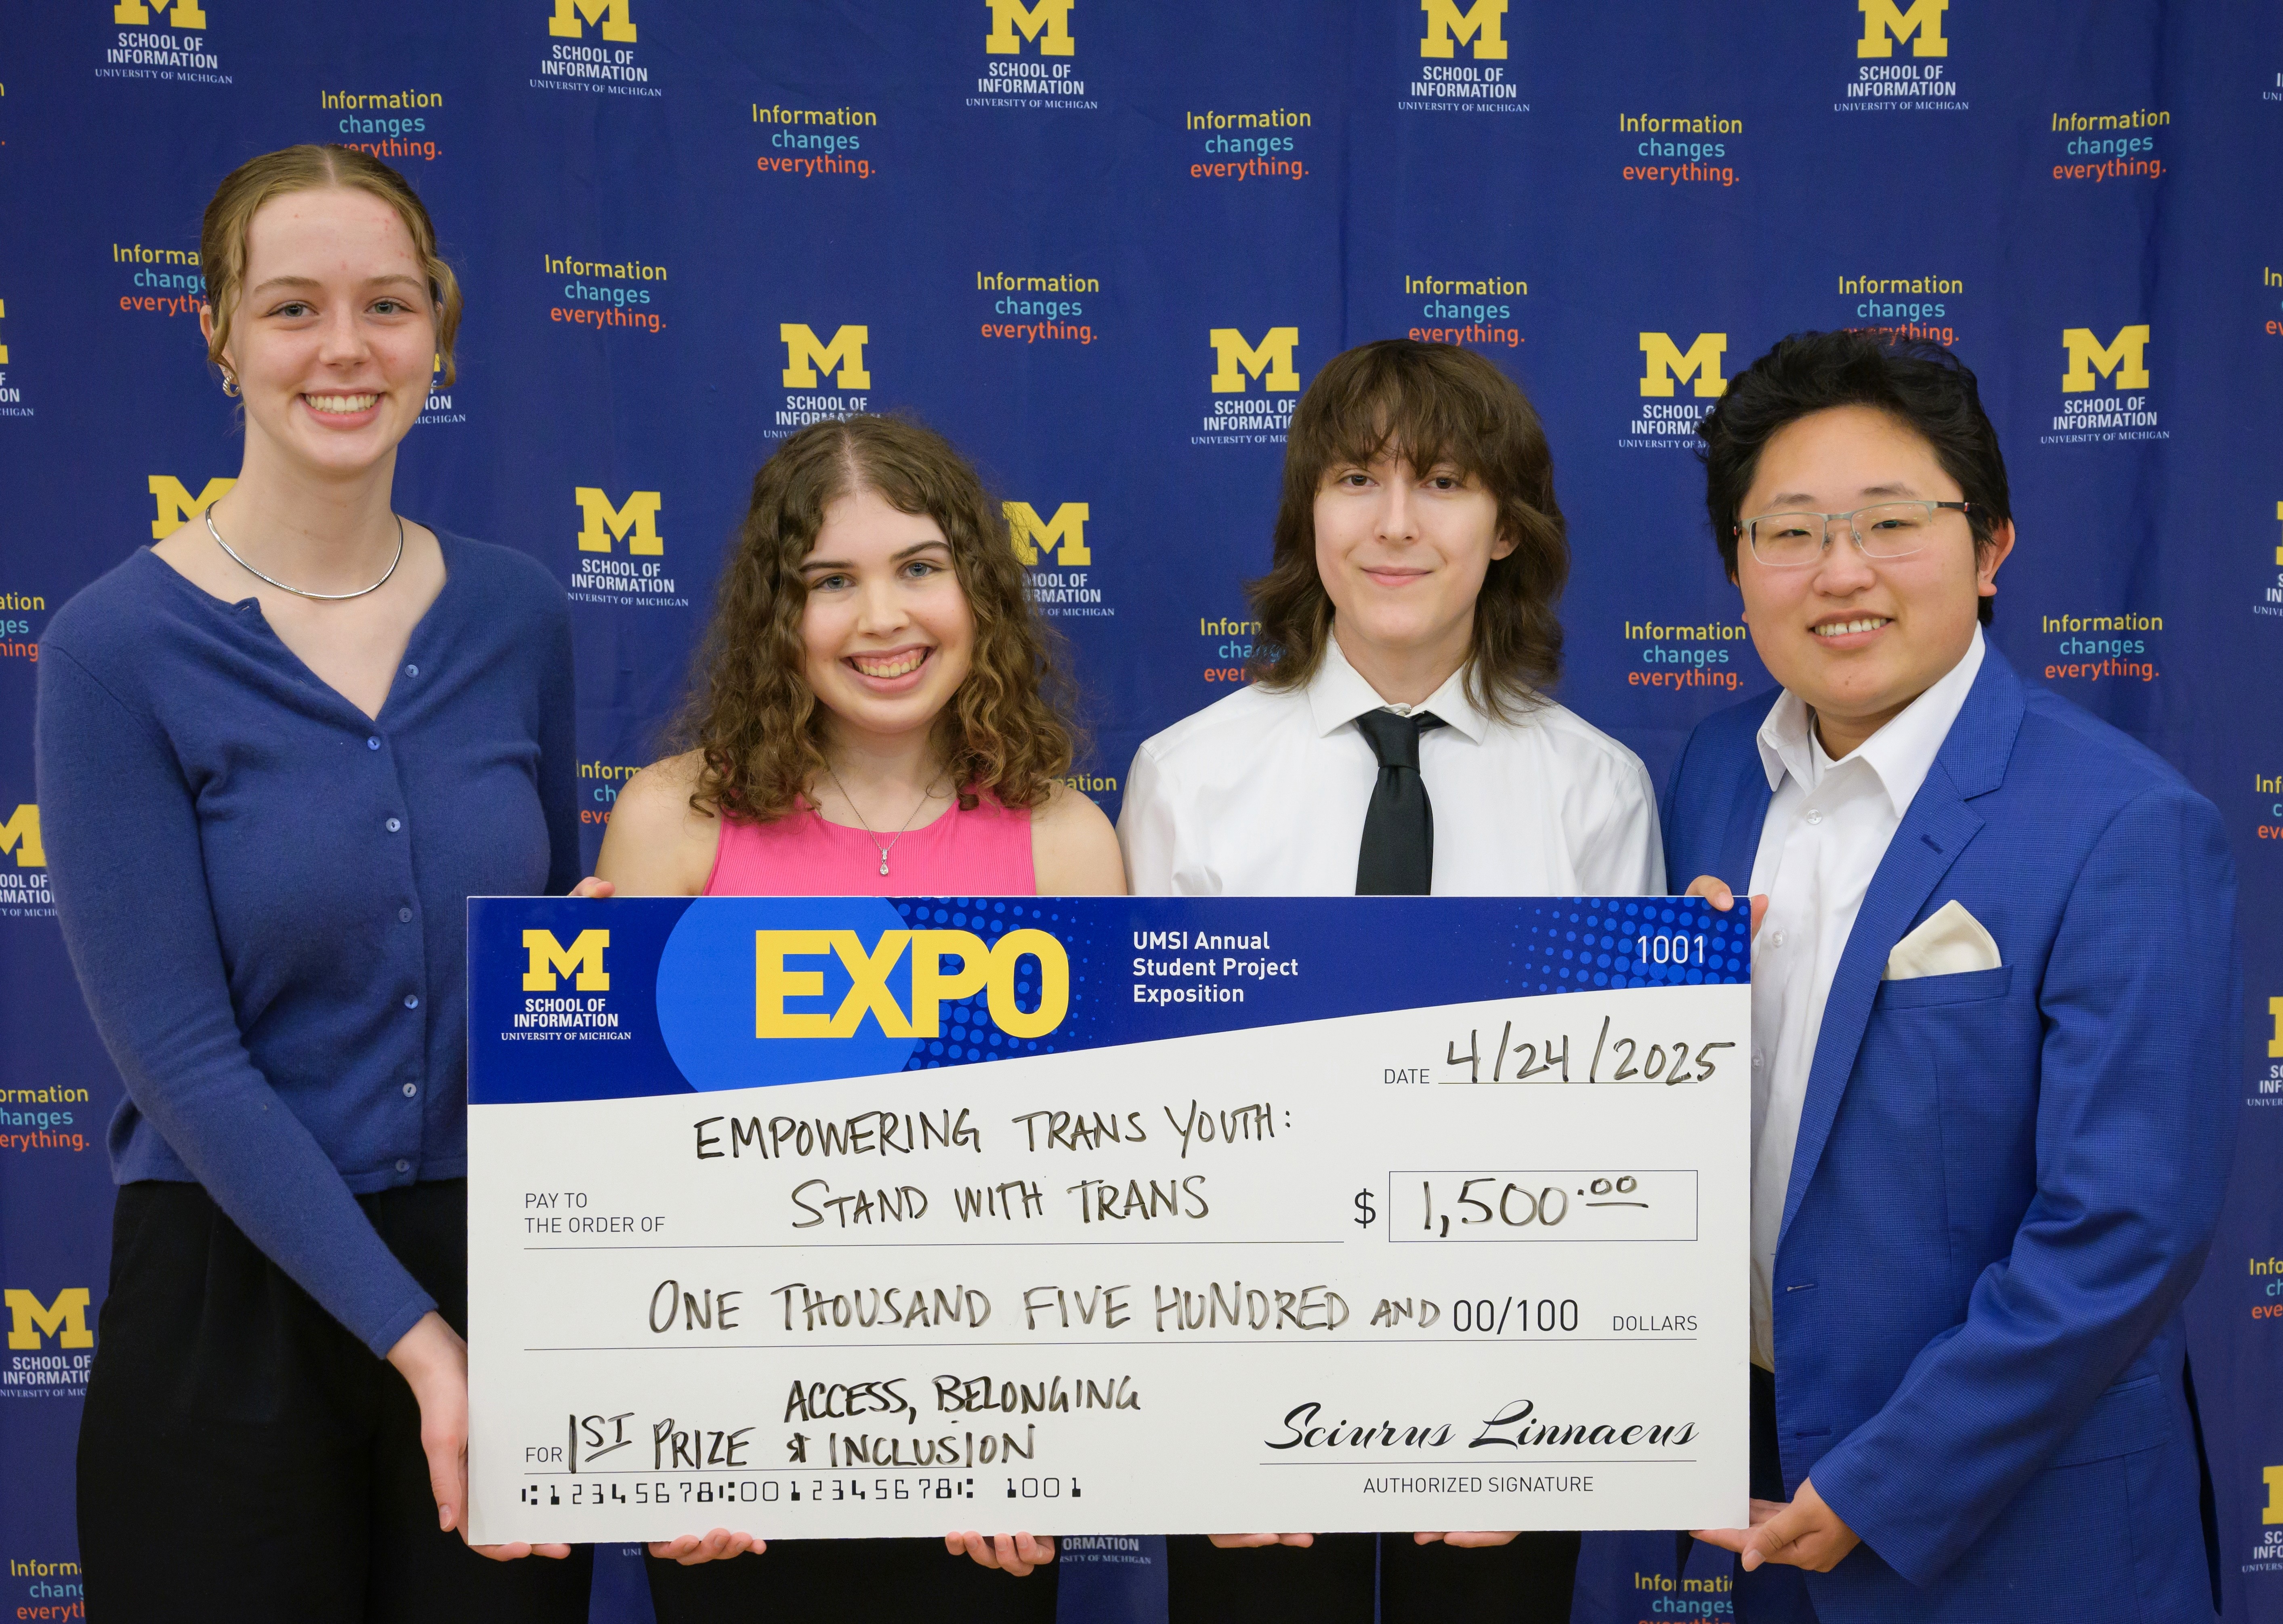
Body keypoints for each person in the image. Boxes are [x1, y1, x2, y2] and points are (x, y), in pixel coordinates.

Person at [38, 146, 589, 1621]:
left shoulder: (519, 614)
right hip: (230, 1302)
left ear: (438, 334)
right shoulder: (112, 651)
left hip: (499, 1284)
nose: (346, 348)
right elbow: (181, 1056)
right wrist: (424, 1347)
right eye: (293, 308)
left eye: (388, 305)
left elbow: (544, 966)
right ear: (218, 335)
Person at [1665, 330, 2235, 1622]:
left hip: (2019, 1536)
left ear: (1989, 549)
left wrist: (1887, 1485)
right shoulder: (1711, 774)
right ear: (1739, 570)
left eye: (1890, 522)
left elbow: (2124, 1226)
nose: (1841, 571)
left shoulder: (2122, 823)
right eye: (1789, 532)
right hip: (1757, 1507)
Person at [1118, 338, 1663, 1623]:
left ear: (1508, 528)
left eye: (1447, 483)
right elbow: (1139, 1124)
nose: (1397, 524)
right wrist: (1190, 1414)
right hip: (1244, 1369)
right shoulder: (1187, 777)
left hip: (1510, 1382)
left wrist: (1561, 1412)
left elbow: (1624, 1138)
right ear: (1310, 514)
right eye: (1358, 479)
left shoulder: (1596, 790)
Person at [589, 412, 1125, 1621]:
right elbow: (620, 1187)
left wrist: (1038, 1445)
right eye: (831, 581)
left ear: (978, 589)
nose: (882, 618)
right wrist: (665, 1438)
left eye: (919, 568)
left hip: (981, 1480)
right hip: (731, 1474)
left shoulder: (1065, 840)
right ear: (779, 615)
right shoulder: (675, 820)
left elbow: (1090, 1187)